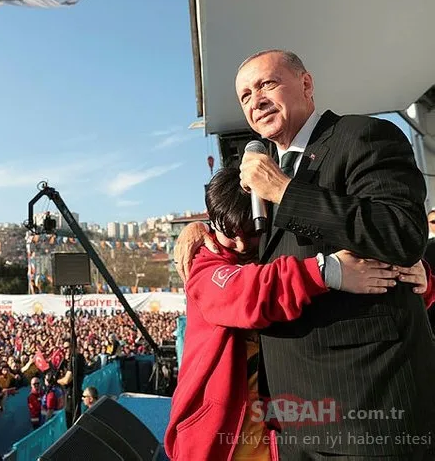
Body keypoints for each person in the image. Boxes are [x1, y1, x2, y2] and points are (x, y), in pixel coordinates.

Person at [177, 49, 435, 459]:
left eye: (267, 84)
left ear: (306, 85)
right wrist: (202, 231)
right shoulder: (262, 180)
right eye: (245, 95)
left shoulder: (363, 137)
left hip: (366, 413)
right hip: (293, 426)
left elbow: (400, 233)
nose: (255, 100)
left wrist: (284, 191)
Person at [164, 167, 434, 461]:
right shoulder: (203, 262)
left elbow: (361, 274)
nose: (242, 245)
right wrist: (326, 271)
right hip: (221, 430)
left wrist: (416, 276)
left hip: (285, 425)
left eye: (253, 232)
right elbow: (245, 294)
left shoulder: (285, 250)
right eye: (229, 232)